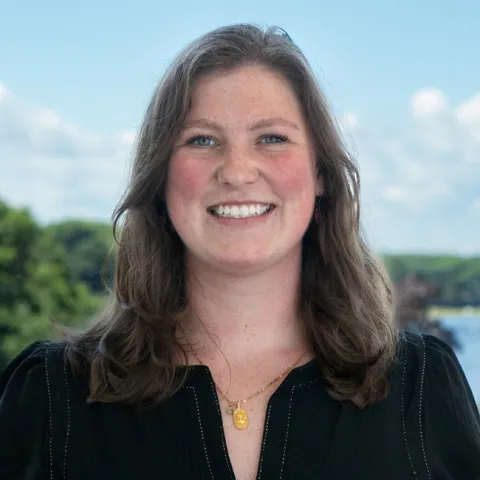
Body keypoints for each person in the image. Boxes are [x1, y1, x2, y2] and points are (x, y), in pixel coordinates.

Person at [1, 23, 479, 480]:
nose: (236, 170)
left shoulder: (421, 388)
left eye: (272, 138)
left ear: (321, 175)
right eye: (202, 139)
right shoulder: (50, 396)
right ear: (160, 178)